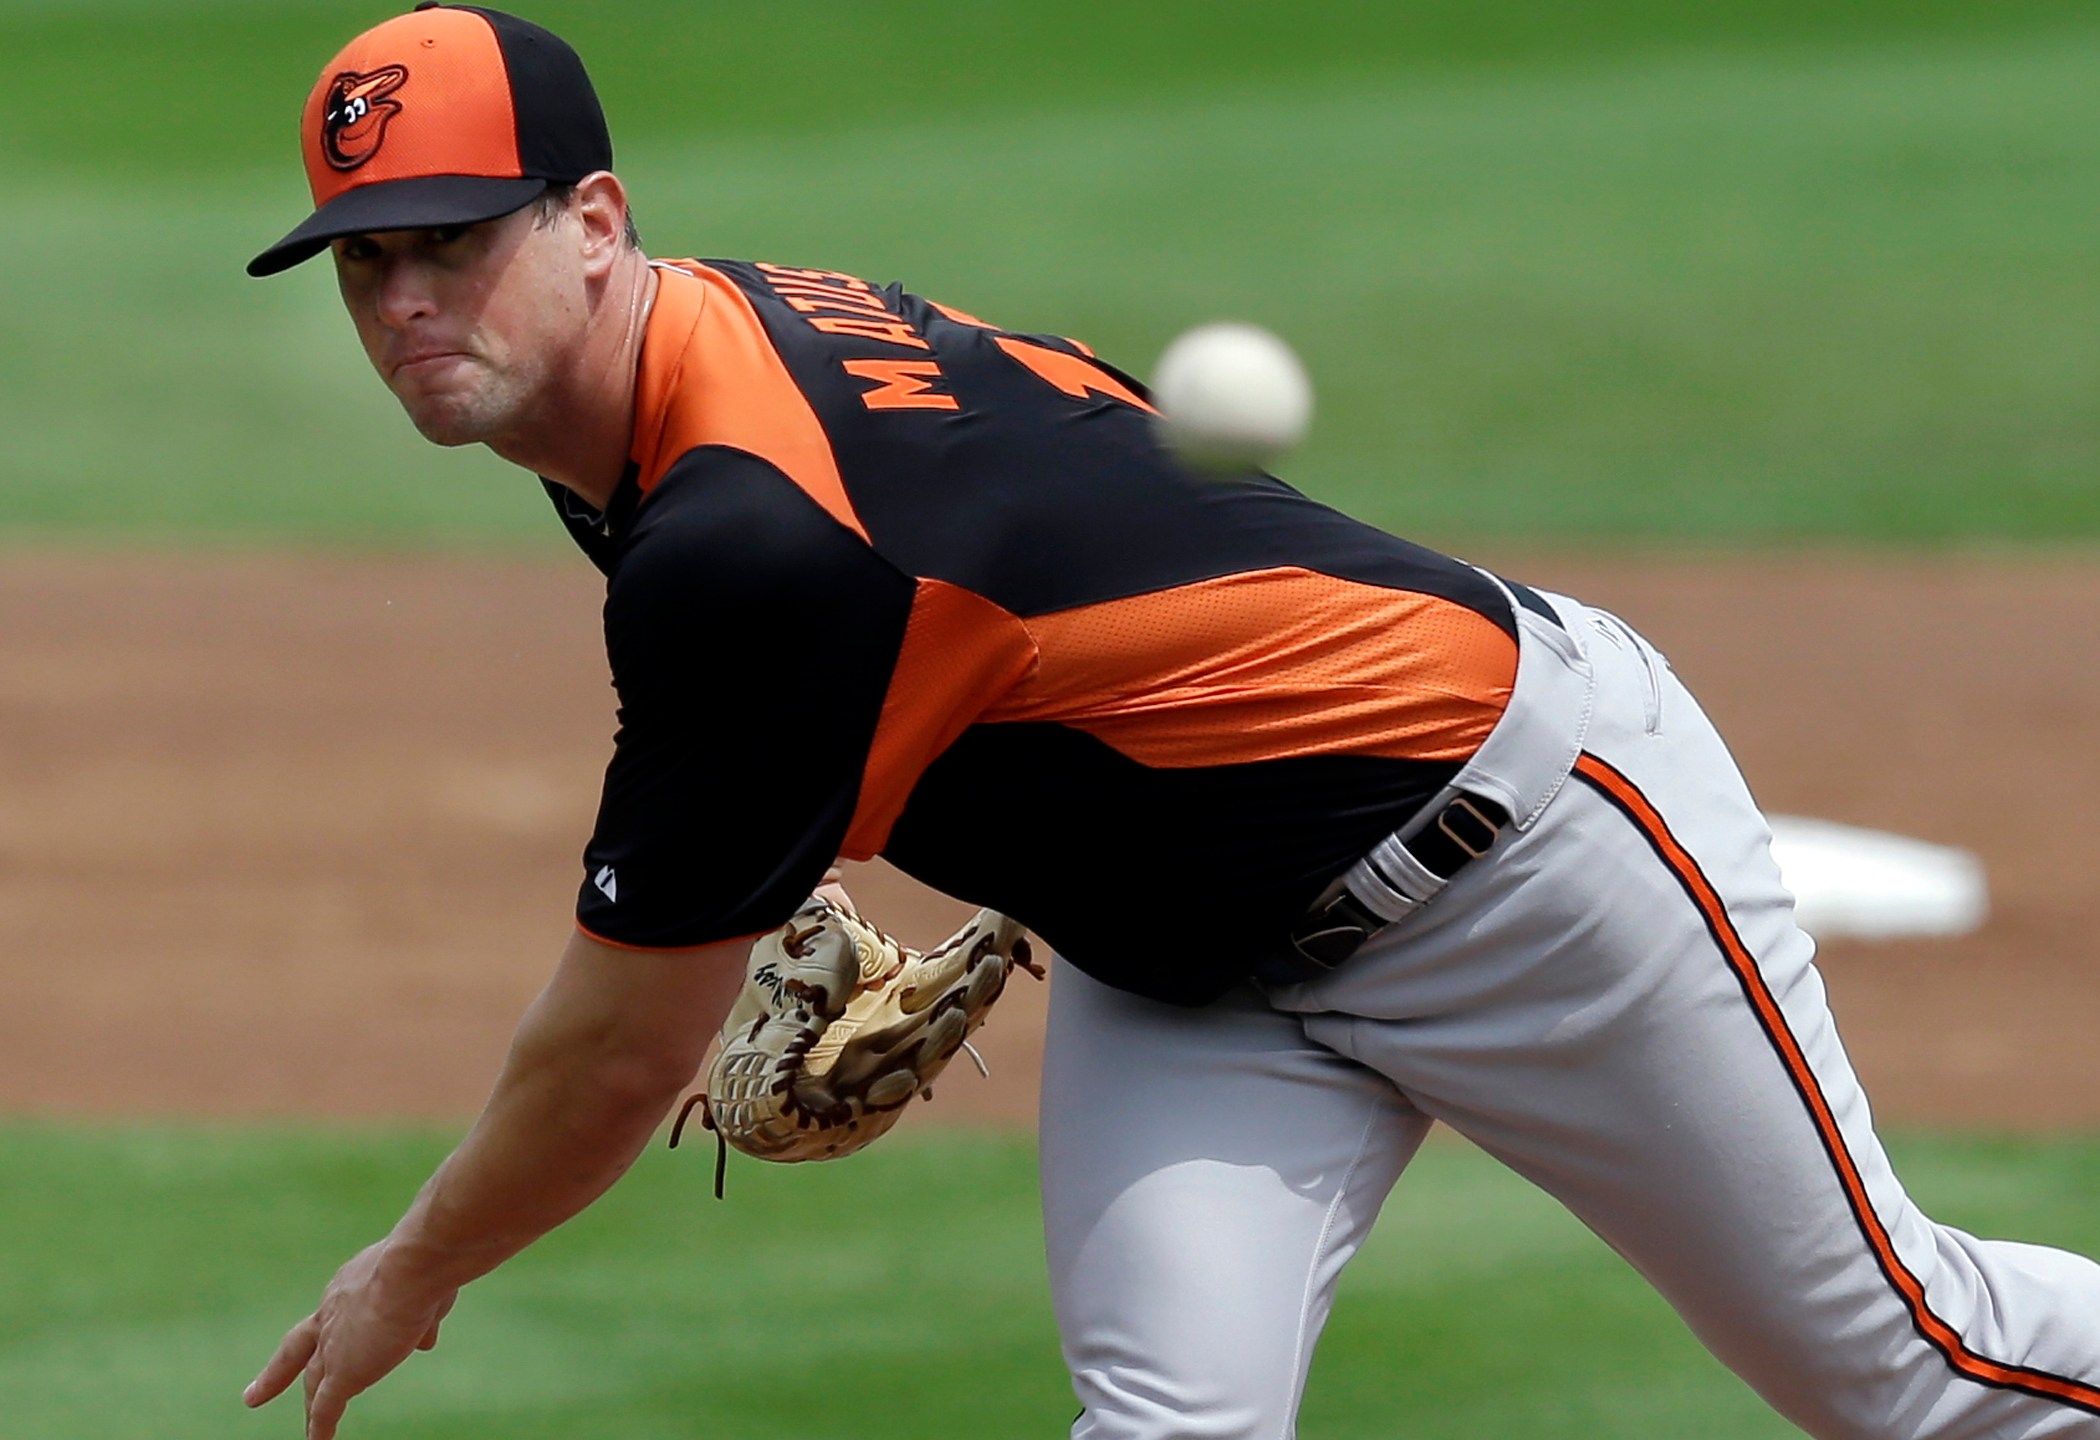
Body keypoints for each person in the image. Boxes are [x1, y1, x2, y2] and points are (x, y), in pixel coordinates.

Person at [243, 8, 2100, 1439]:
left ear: (593, 221)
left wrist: (417, 1270)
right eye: (365, 261)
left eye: (453, 241)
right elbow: (1080, 455)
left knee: (1899, 1369)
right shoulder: (694, 344)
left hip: (1517, 858)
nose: (406, 302)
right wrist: (1093, 805)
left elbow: (616, 1055)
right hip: (1185, 960)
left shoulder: (740, 526)